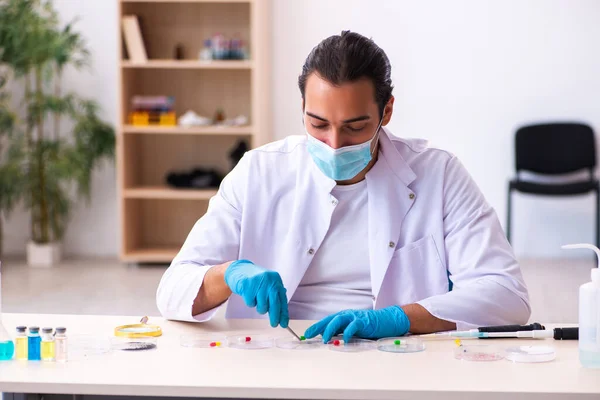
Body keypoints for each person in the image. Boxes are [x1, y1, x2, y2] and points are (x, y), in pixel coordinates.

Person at [157, 31, 530, 344]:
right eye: (318, 124)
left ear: (386, 112)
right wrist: (230, 274)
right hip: (277, 353)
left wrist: (398, 318)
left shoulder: (440, 174)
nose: (334, 144)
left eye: (354, 127)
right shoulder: (259, 171)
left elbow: (506, 294)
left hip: (390, 354)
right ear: (302, 106)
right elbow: (172, 289)